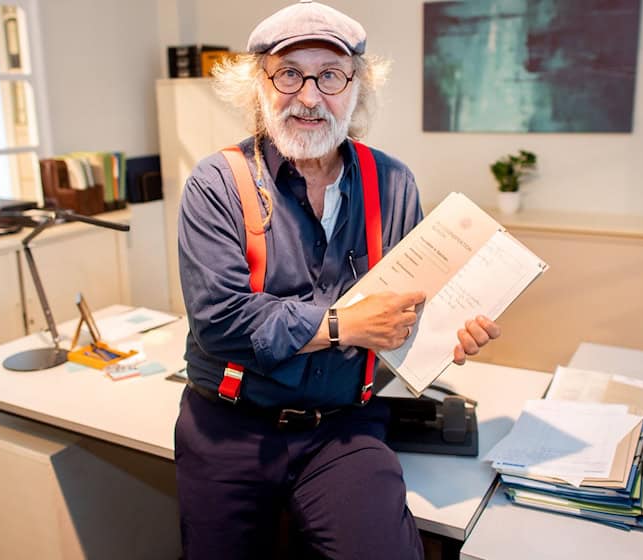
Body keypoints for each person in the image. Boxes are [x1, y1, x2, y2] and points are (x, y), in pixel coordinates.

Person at [175, 1, 501, 558]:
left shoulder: (393, 183)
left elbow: (412, 304)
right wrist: (343, 324)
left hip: (342, 429)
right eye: (289, 74)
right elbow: (220, 322)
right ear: (259, 85)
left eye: (329, 75)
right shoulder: (215, 184)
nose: (308, 96)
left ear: (358, 87)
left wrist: (450, 331)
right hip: (228, 429)